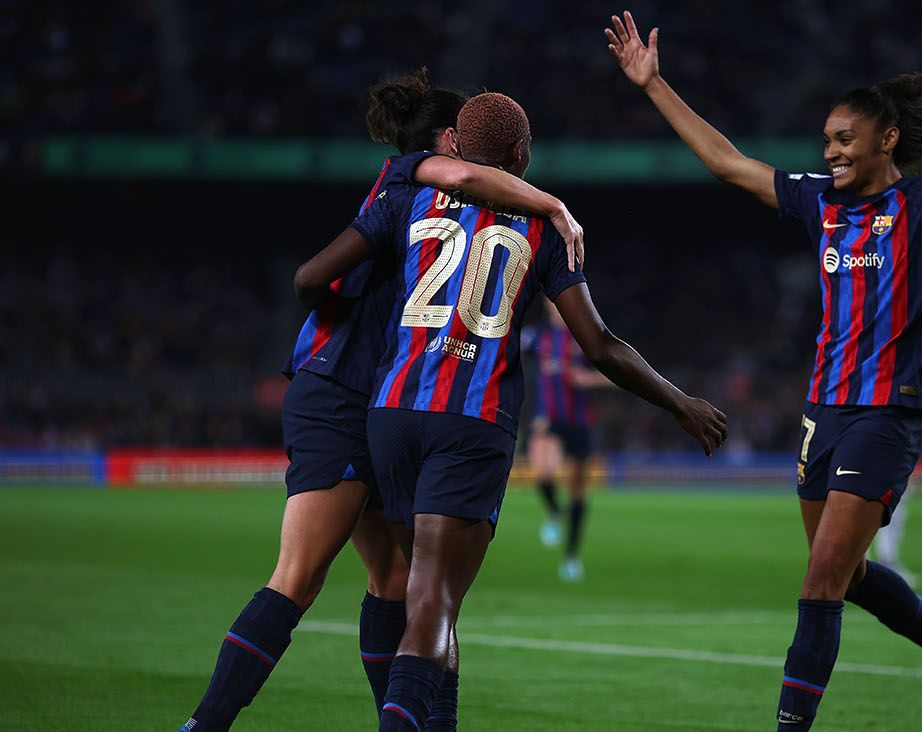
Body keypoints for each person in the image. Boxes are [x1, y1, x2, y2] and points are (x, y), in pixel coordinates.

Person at [605, 11, 922, 728]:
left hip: (889, 412)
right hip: (824, 412)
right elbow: (726, 162)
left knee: (819, 582)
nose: (833, 151)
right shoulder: (820, 201)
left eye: (845, 139)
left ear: (887, 139)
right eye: (828, 142)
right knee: (846, 575)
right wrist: (654, 85)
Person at [293, 91, 727, 732]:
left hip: (391, 414)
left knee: (415, 588)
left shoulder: (408, 198)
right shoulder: (546, 229)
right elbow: (600, 346)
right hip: (471, 420)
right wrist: (679, 402)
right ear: (522, 154)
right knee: (434, 604)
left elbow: (309, 280)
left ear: (457, 149)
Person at [179, 68, 586, 732]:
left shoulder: (425, 198)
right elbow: (457, 182)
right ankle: (205, 724)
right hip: (341, 388)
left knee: (400, 585)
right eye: (469, 137)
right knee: (303, 576)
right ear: (449, 140)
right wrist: (552, 205)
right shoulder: (415, 176)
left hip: (383, 400)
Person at [526, 299, 612, 582]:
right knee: (543, 473)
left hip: (580, 422)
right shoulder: (537, 337)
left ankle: (571, 557)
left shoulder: (587, 336)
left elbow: (617, 375)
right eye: (551, 302)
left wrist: (590, 379)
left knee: (577, 490)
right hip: (547, 420)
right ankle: (553, 512)